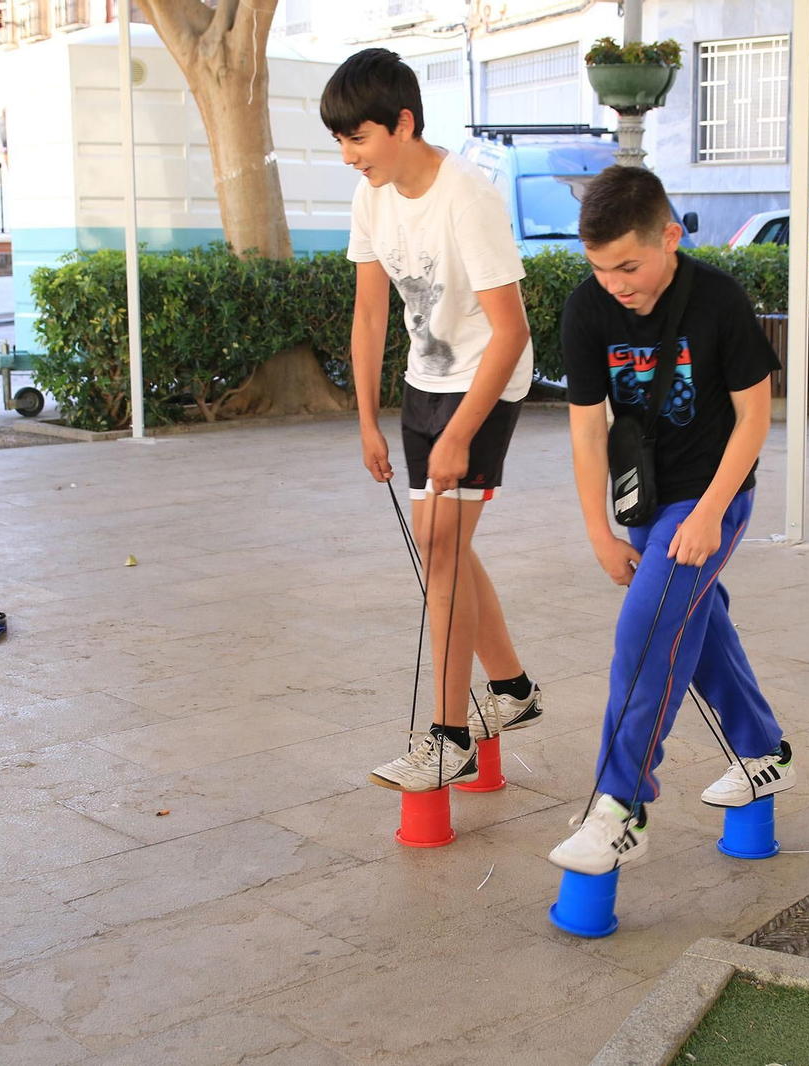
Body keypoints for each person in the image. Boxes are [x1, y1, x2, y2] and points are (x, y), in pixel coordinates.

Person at [550, 165, 791, 874]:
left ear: (670, 236)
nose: (616, 283)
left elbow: (754, 418)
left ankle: (621, 806)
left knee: (648, 627)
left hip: (714, 493)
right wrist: (599, 531)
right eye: (599, 268)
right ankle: (763, 751)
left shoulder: (717, 299)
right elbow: (588, 430)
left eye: (628, 265)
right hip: (644, 500)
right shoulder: (586, 309)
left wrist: (712, 513)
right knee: (693, 618)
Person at [321, 48, 543, 792]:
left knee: (439, 553)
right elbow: (369, 309)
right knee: (440, 543)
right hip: (425, 384)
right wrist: (366, 420)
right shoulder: (371, 197)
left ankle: (450, 737)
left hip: (485, 382)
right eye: (341, 143)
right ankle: (511, 691)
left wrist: (457, 434)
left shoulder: (467, 197)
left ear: (404, 123)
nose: (351, 157)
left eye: (360, 139)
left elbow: (511, 333)